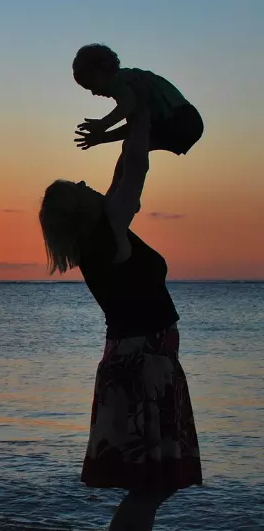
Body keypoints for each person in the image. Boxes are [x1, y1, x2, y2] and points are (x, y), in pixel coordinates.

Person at [39, 108, 202, 531]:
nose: (83, 181)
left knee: (153, 484)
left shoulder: (101, 237)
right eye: (76, 186)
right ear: (78, 208)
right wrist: (142, 115)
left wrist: (132, 128)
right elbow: (134, 170)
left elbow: (124, 172)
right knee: (150, 485)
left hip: (141, 361)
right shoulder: (105, 236)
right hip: (143, 366)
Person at [72, 43, 204, 200]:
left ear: (101, 71)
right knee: (132, 146)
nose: (94, 92)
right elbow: (134, 127)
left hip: (182, 120)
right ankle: (121, 194)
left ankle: (120, 195)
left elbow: (128, 104)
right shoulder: (130, 85)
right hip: (186, 122)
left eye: (90, 85)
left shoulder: (121, 80)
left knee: (132, 147)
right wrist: (102, 138)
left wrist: (103, 124)